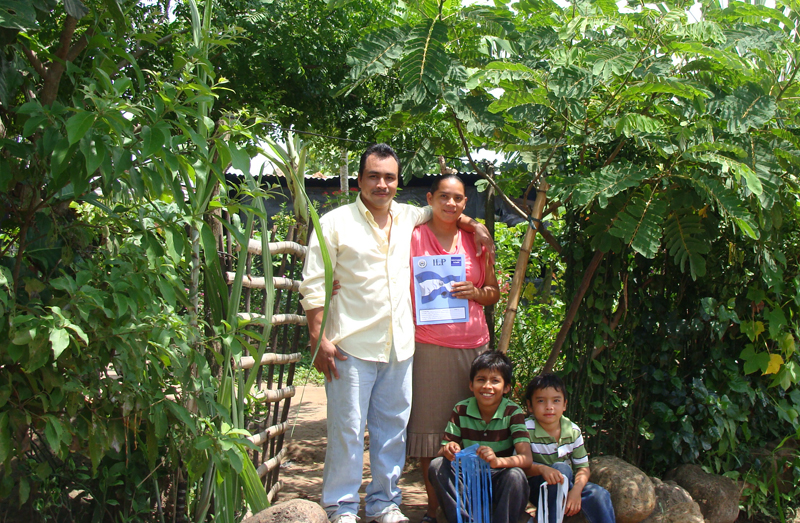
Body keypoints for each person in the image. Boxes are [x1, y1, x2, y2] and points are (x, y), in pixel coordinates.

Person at [299, 144, 492, 523]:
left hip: (400, 346)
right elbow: (314, 284)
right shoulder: (334, 223)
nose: (382, 184)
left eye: (389, 177)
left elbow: (445, 207)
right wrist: (317, 337)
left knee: (392, 431)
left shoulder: (407, 216)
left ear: (397, 182)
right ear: (360, 180)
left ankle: (384, 503)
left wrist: (473, 224)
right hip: (349, 345)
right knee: (348, 430)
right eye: (374, 176)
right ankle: (341, 506)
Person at [406, 175, 500, 523]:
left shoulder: (476, 240)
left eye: (458, 199)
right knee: (429, 432)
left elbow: (493, 291)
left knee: (474, 429)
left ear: (465, 203)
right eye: (443, 196)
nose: (450, 204)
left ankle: (470, 506)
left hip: (474, 348)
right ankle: (435, 506)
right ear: (430, 198)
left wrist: (476, 294)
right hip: (427, 347)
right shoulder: (412, 236)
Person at [428, 350, 532, 523]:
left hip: (499, 478)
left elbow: (526, 458)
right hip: (468, 478)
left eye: (495, 381)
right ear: (471, 385)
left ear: (506, 387)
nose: (487, 386)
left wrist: (498, 462)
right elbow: (443, 452)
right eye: (481, 380)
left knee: (516, 476)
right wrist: (449, 449)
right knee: (437, 466)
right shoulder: (460, 409)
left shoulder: (513, 412)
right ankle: (463, 520)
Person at [524, 374, 615, 523]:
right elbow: (521, 465)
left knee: (599, 494)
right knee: (561, 468)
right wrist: (542, 469)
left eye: (556, 401)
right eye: (541, 401)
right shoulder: (525, 430)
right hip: (537, 487)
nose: (549, 407)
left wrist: (576, 492)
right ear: (530, 406)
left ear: (565, 404)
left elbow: (583, 468)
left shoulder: (572, 431)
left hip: (567, 484)